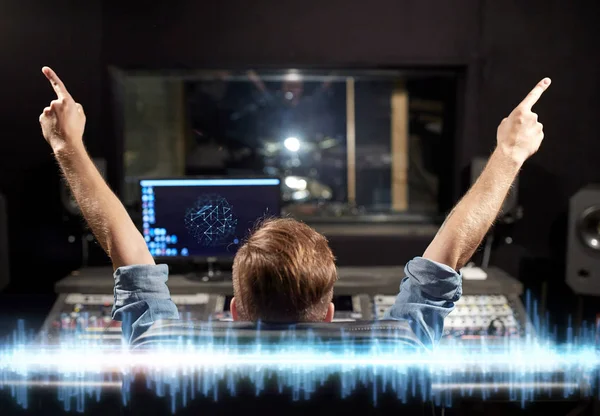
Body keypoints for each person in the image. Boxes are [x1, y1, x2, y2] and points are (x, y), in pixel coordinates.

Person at [39, 66, 550, 346]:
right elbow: (450, 253)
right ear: (330, 313)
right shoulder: (400, 349)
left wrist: (68, 149)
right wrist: (509, 154)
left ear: (234, 310)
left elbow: (129, 258)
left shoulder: (164, 349)